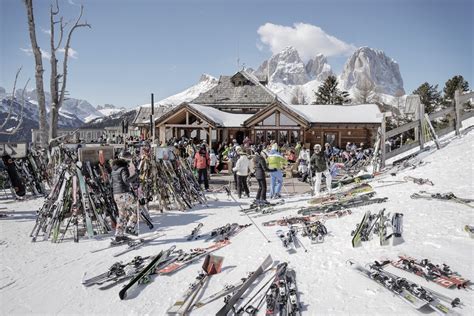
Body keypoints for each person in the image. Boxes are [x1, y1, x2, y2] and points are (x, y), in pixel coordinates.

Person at [111, 151, 138, 242]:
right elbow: (126, 180)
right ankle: (130, 227)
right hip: (124, 193)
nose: (130, 162)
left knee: (122, 214)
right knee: (136, 208)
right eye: (129, 160)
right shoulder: (123, 168)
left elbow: (113, 182)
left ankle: (119, 235)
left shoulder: (114, 169)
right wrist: (136, 175)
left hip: (116, 194)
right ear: (126, 160)